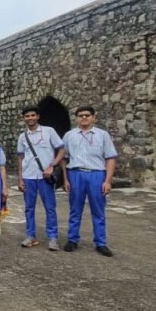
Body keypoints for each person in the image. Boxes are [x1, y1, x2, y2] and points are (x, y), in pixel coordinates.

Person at [61, 106, 117, 257]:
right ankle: (72, 239)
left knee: (98, 210)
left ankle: (101, 242)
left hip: (96, 174)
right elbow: (64, 158)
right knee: (75, 209)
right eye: (80, 115)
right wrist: (65, 179)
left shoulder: (103, 135)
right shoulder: (69, 136)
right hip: (76, 174)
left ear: (93, 117)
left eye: (87, 115)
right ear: (76, 118)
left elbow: (110, 158)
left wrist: (108, 181)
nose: (84, 118)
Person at [16, 106, 66, 251]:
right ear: (24, 118)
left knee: (50, 208)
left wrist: (52, 165)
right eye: (27, 116)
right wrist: (20, 178)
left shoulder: (49, 131)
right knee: (29, 208)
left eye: (32, 115)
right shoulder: (22, 136)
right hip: (28, 176)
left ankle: (52, 238)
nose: (30, 118)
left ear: (38, 116)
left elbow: (62, 150)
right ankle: (30, 235)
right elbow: (20, 158)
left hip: (45, 176)